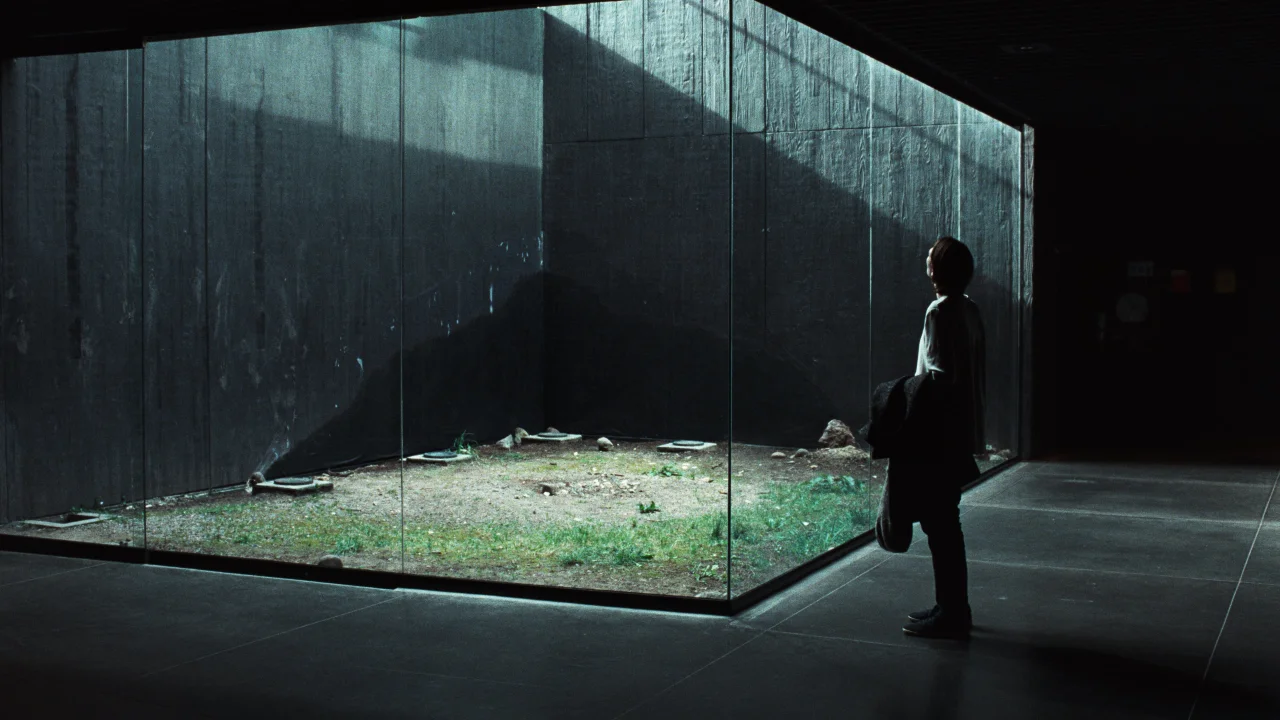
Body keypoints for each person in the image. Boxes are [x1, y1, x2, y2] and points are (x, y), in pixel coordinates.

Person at [899, 236, 986, 640]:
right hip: (960, 429)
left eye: (931, 256)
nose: (926, 260)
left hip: (938, 432)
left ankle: (951, 612)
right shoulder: (970, 309)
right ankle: (951, 606)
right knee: (946, 520)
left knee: (940, 524)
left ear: (937, 268)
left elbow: (938, 377)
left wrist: (904, 395)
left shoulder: (939, 311)